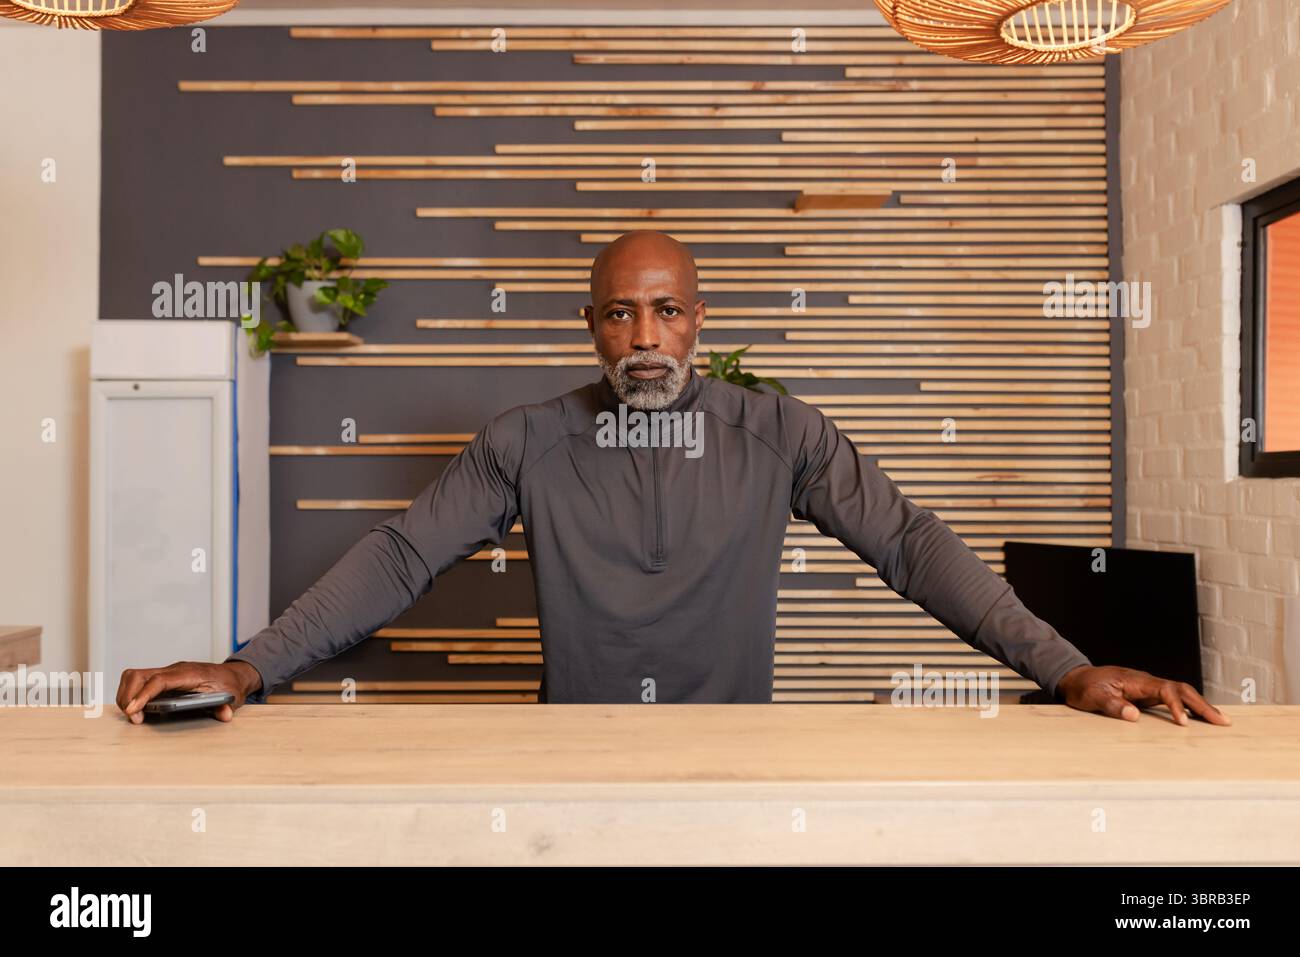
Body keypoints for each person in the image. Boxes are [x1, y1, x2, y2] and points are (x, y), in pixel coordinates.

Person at [117, 231, 1229, 728]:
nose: (642, 333)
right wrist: (248, 666)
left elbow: (912, 546)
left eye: (665, 309)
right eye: (617, 311)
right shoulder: (525, 439)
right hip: (570, 761)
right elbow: (402, 557)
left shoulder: (779, 431)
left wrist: (1066, 669)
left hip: (737, 761)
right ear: (590, 325)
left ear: (699, 319)